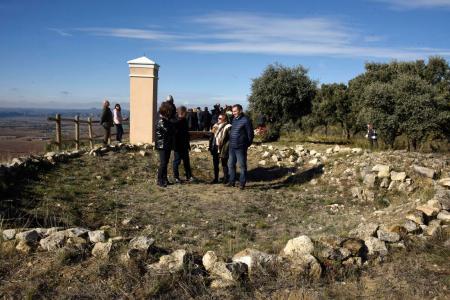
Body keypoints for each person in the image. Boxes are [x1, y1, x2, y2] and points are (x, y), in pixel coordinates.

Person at [227, 104, 254, 189]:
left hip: (240, 147)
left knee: (242, 166)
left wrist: (246, 144)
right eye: (233, 111)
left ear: (240, 110)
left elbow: (250, 134)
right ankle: (232, 181)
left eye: (235, 111)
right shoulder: (234, 119)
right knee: (230, 164)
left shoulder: (246, 120)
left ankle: (242, 183)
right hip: (232, 146)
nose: (233, 113)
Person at [155, 102, 175, 187]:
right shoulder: (161, 121)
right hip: (162, 145)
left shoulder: (166, 121)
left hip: (167, 144)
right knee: (163, 163)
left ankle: (165, 179)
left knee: (165, 162)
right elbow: (168, 130)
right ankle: (159, 180)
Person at [173, 106, 194, 183]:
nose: (187, 113)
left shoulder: (184, 120)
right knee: (177, 162)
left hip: (184, 145)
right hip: (178, 146)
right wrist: (175, 146)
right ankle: (176, 177)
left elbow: (186, 134)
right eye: (186, 112)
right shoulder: (175, 122)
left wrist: (188, 144)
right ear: (182, 112)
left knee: (186, 162)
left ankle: (189, 176)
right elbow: (174, 136)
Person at [209, 113, 231, 184]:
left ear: (225, 119)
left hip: (223, 147)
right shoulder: (215, 125)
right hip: (215, 146)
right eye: (218, 118)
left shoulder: (228, 126)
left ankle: (226, 179)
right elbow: (212, 136)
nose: (218, 119)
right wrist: (210, 146)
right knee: (215, 163)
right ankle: (216, 178)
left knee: (224, 163)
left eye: (220, 118)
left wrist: (226, 146)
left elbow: (230, 138)